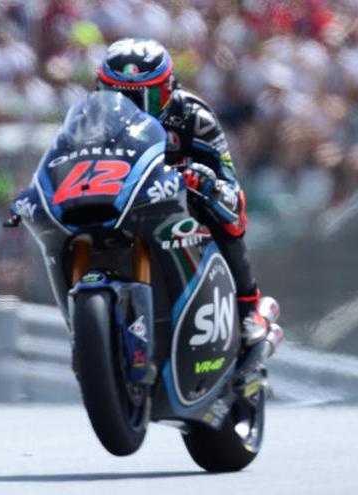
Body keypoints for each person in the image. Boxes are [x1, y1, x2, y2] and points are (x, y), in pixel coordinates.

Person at [96, 38, 272, 349]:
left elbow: (228, 182)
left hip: (180, 204)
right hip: (119, 202)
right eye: (116, 94)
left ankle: (248, 307)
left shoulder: (193, 116)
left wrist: (205, 181)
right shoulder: (92, 121)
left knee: (225, 209)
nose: (126, 105)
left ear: (165, 89)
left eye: (137, 96)